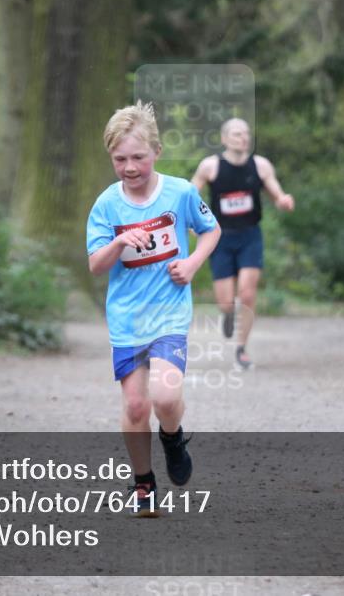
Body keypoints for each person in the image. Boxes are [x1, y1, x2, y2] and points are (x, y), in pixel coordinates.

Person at [87, 101, 221, 516]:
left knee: (164, 397)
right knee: (134, 406)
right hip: (127, 318)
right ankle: (143, 483)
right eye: (120, 159)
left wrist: (193, 263)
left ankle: (173, 436)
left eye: (138, 157)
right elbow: (95, 266)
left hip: (168, 313)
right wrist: (119, 242)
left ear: (157, 152)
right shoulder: (107, 205)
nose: (130, 167)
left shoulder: (180, 192)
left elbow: (211, 230)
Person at [191, 118, 294, 371]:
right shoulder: (210, 166)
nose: (243, 138)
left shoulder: (260, 166)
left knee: (247, 293)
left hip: (250, 235)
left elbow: (276, 194)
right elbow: (190, 196)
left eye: (246, 133)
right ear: (225, 138)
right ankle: (227, 314)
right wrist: (194, 223)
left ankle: (241, 349)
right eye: (237, 134)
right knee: (225, 302)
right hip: (220, 238)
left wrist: (283, 201)